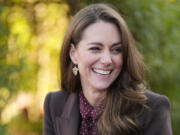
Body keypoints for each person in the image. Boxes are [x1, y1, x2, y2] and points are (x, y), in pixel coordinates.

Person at [43, 3, 172, 135]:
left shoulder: (152, 109)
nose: (107, 60)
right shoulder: (55, 105)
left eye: (116, 50)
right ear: (73, 54)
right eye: (95, 49)